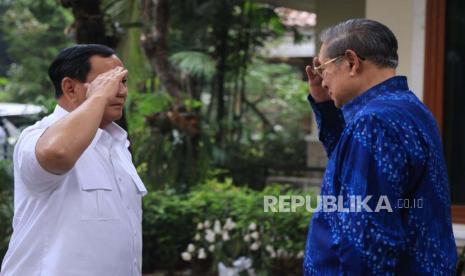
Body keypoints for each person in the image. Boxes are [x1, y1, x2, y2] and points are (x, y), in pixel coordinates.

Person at [303, 19, 457, 274]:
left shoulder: (373, 123)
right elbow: (350, 170)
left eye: (323, 67)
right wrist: (326, 106)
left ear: (352, 62)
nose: (321, 77)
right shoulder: (410, 109)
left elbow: (366, 239)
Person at [0, 44, 147, 276]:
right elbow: (57, 153)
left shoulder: (118, 147)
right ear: (70, 88)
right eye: (108, 81)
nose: (120, 91)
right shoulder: (37, 136)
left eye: (123, 81)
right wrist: (99, 96)